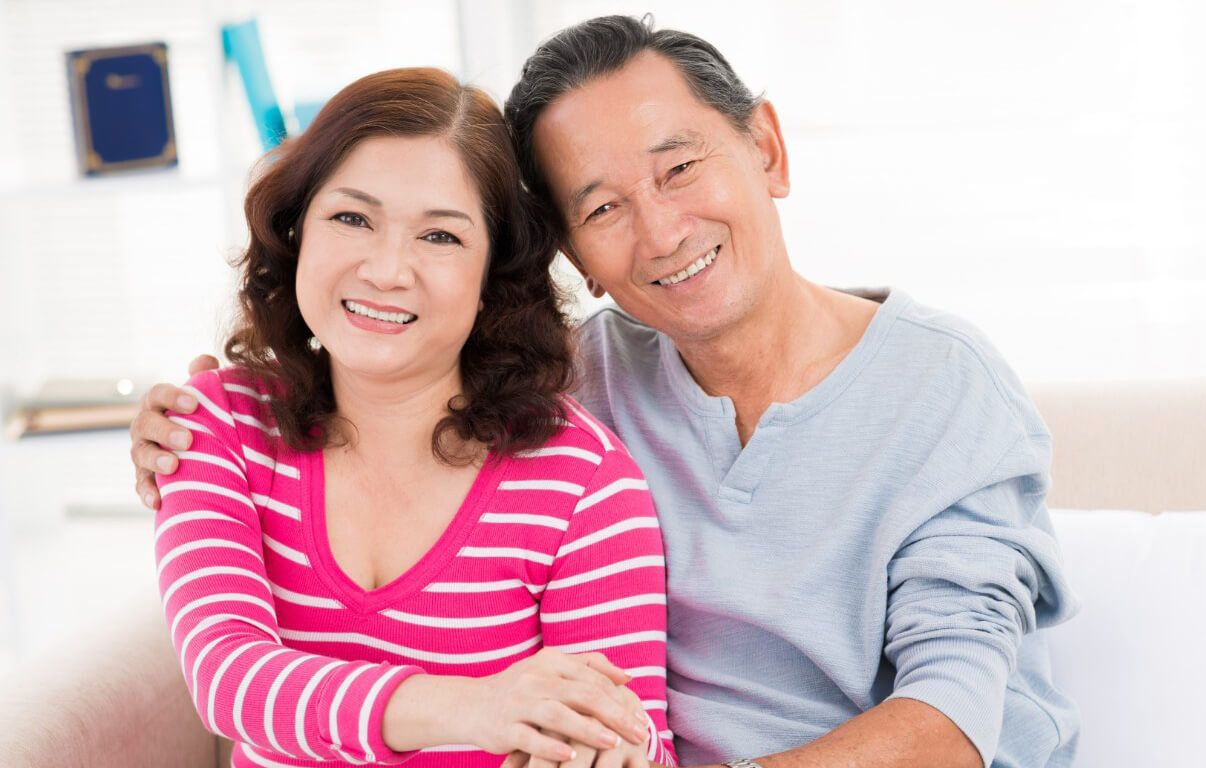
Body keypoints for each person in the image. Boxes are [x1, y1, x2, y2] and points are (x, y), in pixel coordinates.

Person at [133, 16, 1080, 768]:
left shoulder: (943, 386)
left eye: (679, 168)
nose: (662, 231)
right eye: (602, 207)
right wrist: (184, 424)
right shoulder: (570, 382)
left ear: (767, 148)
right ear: (567, 253)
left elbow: (955, 710)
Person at [146, 66, 676, 768]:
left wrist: (612, 753)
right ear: (297, 227)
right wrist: (475, 705)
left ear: (493, 276)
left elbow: (634, 742)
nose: (387, 270)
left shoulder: (584, 486)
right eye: (352, 218)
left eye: (441, 237)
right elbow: (231, 681)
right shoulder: (215, 425)